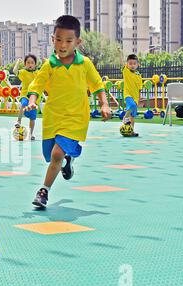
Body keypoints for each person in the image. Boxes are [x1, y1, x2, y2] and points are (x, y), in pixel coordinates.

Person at [26, 15, 112, 208]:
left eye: (68, 41)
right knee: (51, 156)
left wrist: (104, 104)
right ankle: (68, 159)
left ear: (78, 42)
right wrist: (32, 101)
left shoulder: (85, 64)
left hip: (76, 118)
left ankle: (43, 191)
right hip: (52, 118)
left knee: (56, 155)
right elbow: (37, 85)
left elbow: (98, 85)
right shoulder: (49, 65)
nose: (62, 45)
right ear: (52, 39)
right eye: (58, 40)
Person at [13, 54, 40, 140]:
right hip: (25, 95)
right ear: (25, 64)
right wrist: (17, 62)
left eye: (32, 62)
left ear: (35, 64)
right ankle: (19, 121)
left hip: (35, 98)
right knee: (24, 103)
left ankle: (31, 134)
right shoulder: (23, 72)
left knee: (32, 118)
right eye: (28, 62)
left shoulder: (38, 73)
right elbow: (14, 71)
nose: (30, 64)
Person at [120, 49, 142, 137]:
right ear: (127, 64)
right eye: (130, 63)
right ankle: (125, 118)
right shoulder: (126, 72)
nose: (132, 65)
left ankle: (131, 131)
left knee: (133, 116)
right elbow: (121, 62)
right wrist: (120, 54)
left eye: (134, 63)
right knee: (132, 106)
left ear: (137, 64)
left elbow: (140, 88)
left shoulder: (139, 76)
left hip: (135, 98)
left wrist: (139, 99)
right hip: (128, 95)